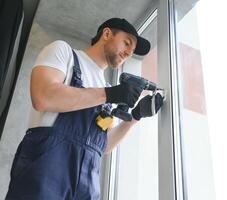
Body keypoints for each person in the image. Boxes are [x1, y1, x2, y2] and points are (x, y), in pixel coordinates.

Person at [5, 18, 163, 200]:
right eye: (127, 43)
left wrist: (135, 117)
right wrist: (109, 94)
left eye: (132, 51)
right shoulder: (64, 53)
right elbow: (43, 96)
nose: (128, 53)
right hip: (47, 170)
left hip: (87, 182)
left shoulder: (106, 87)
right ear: (106, 34)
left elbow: (105, 145)